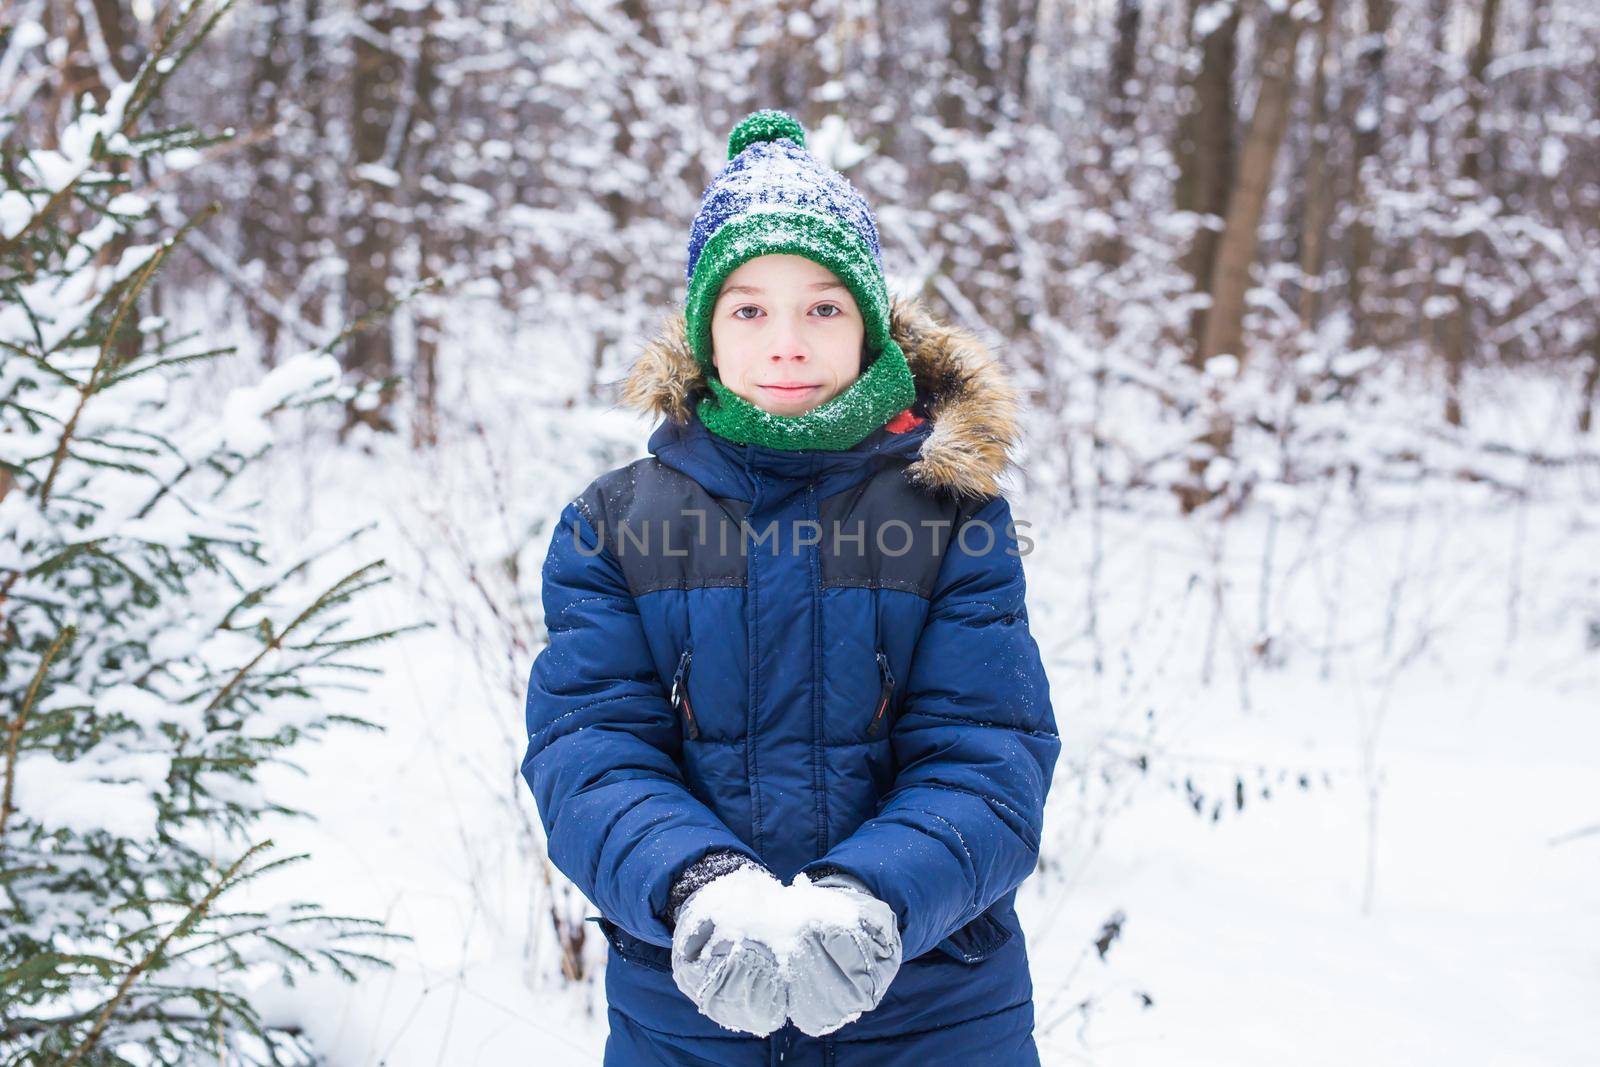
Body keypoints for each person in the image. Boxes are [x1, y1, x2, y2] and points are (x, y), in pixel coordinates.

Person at [521, 108, 1060, 1066]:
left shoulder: (952, 515)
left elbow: (989, 755)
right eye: (749, 308)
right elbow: (589, 752)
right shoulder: (613, 525)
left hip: (933, 1012)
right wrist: (697, 883)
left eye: (822, 307)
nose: (787, 342)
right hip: (691, 1016)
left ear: (866, 326)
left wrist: (873, 897)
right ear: (705, 331)